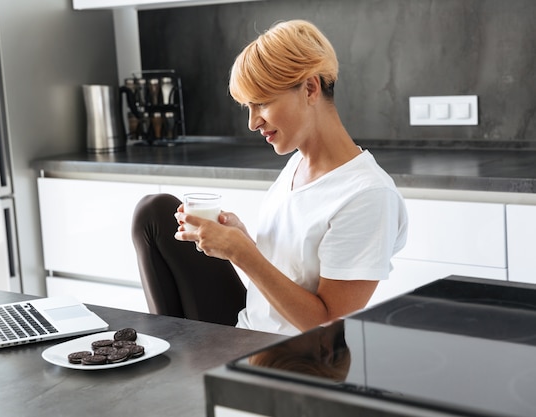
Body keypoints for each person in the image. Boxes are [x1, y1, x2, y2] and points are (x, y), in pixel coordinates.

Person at [132, 19, 408, 336]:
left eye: (262, 102)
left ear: (310, 88)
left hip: (289, 356)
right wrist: (241, 240)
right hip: (249, 326)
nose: (252, 123)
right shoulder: (297, 164)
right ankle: (184, 363)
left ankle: (190, 369)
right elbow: (289, 270)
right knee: (154, 213)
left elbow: (327, 326)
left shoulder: (367, 195)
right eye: (248, 107)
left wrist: (241, 253)